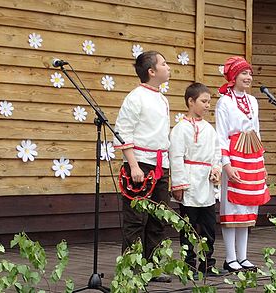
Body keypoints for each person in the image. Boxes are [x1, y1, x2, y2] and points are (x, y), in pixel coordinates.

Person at [113, 50, 172, 282]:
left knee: (158, 218)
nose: (168, 68)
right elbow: (122, 132)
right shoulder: (135, 97)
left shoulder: (162, 98)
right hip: (140, 165)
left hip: (160, 164)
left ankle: (153, 266)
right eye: (164, 64)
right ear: (151, 71)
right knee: (136, 220)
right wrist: (134, 166)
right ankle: (131, 268)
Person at [215, 56, 271, 272]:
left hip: (252, 155)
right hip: (234, 154)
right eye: (243, 73)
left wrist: (262, 163)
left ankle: (243, 256)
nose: (248, 77)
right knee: (233, 205)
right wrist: (226, 164)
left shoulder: (253, 101)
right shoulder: (224, 102)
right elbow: (221, 135)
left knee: (248, 204)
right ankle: (230, 258)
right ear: (233, 76)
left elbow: (256, 131)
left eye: (250, 73)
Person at [169, 82, 222, 275]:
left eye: (209, 102)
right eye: (204, 101)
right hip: (190, 182)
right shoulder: (180, 129)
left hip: (206, 184)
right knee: (189, 227)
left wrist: (216, 169)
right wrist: (179, 184)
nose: (208, 105)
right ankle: (188, 264)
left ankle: (208, 263)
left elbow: (217, 153)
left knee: (208, 227)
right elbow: (175, 157)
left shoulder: (209, 128)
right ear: (191, 101)